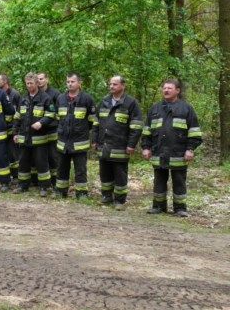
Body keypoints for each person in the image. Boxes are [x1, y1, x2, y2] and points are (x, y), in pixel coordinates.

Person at [142, 79, 202, 217]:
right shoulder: (155, 108)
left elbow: (194, 131)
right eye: (164, 88)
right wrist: (146, 147)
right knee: (159, 180)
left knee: (179, 180)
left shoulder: (186, 109)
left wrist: (190, 149)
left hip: (178, 152)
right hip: (159, 151)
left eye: (169, 88)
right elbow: (147, 130)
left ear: (177, 91)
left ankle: (180, 208)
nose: (166, 90)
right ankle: (158, 206)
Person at [93, 75, 143, 210]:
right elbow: (96, 123)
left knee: (120, 173)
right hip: (104, 145)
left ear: (123, 86)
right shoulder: (104, 101)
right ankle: (106, 196)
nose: (111, 86)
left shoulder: (131, 103)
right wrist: (94, 140)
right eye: (110, 84)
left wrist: (131, 144)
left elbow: (136, 126)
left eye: (114, 84)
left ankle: (120, 200)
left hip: (120, 146)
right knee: (104, 172)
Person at [55, 73, 96, 199]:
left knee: (80, 170)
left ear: (79, 83)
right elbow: (57, 118)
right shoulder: (60, 98)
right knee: (62, 168)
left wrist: (81, 130)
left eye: (72, 81)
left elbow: (92, 121)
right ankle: (60, 192)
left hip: (79, 142)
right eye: (68, 82)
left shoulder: (87, 99)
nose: (70, 84)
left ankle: (81, 193)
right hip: (63, 142)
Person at [14, 73, 56, 196]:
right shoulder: (23, 98)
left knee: (41, 163)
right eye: (27, 83)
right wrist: (15, 133)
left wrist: (41, 123)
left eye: (31, 83)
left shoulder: (46, 98)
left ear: (37, 83)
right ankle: (22, 185)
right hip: (24, 137)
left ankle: (44, 187)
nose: (29, 86)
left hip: (39, 138)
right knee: (23, 162)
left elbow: (51, 115)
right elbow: (17, 117)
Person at [37, 72, 61, 187]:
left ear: (47, 79)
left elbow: (59, 112)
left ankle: (55, 181)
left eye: (41, 79)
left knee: (53, 156)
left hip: (52, 129)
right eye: (37, 79)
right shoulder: (35, 93)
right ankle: (41, 181)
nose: (39, 81)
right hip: (38, 131)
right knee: (40, 157)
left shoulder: (55, 94)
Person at [0, 74, 20, 182]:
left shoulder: (15, 94)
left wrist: (16, 129)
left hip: (11, 128)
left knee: (13, 153)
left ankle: (15, 176)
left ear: (5, 81)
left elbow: (18, 112)